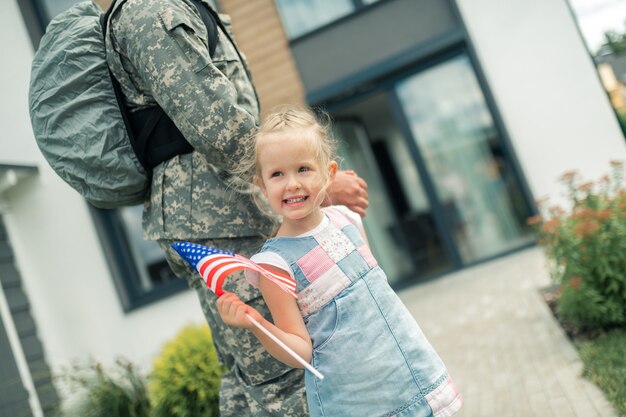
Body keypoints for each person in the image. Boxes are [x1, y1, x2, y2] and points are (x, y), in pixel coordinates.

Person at [100, 0, 369, 415]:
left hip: (225, 213)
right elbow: (219, 126)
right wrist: (316, 187)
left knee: (248, 384)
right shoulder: (151, 9)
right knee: (281, 377)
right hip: (215, 221)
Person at [217, 107, 463, 417]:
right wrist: (257, 324)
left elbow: (375, 296)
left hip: (406, 371)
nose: (291, 183)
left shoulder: (348, 219)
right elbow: (301, 351)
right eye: (277, 174)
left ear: (328, 174)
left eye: (303, 169)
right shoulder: (273, 263)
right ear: (263, 186)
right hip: (356, 400)